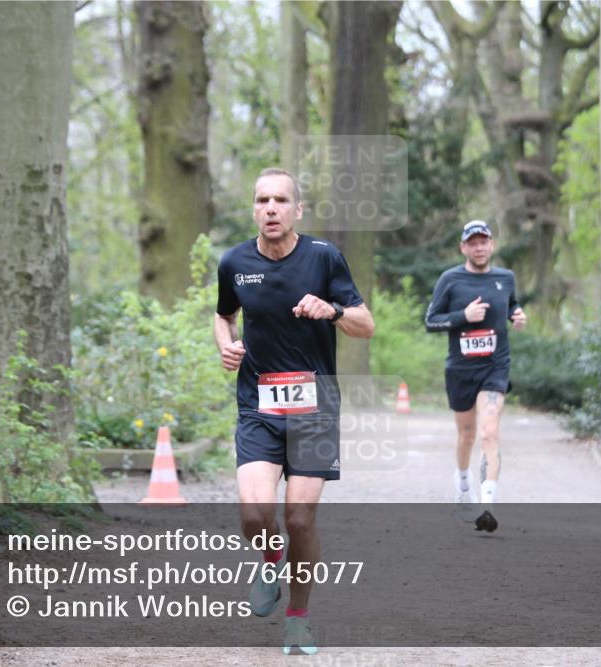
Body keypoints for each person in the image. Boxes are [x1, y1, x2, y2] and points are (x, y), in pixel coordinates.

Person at [214, 167, 374, 655]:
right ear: (254, 208)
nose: (270, 209)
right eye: (262, 200)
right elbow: (224, 313)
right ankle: (271, 556)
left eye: (280, 200)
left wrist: (333, 311)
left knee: (300, 518)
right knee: (253, 511)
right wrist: (226, 346)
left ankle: (299, 620)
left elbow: (366, 325)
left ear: (297, 210)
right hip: (258, 405)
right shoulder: (234, 261)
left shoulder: (325, 258)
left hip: (314, 407)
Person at [424, 220, 527, 513]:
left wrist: (517, 315)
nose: (479, 248)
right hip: (460, 370)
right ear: (463, 247)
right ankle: (463, 481)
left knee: (489, 432)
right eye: (473, 243)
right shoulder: (450, 279)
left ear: (492, 245)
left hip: (495, 366)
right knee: (467, 436)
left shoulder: (506, 278)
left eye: (484, 242)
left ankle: (487, 505)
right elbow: (431, 321)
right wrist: (463, 316)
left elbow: (512, 305)